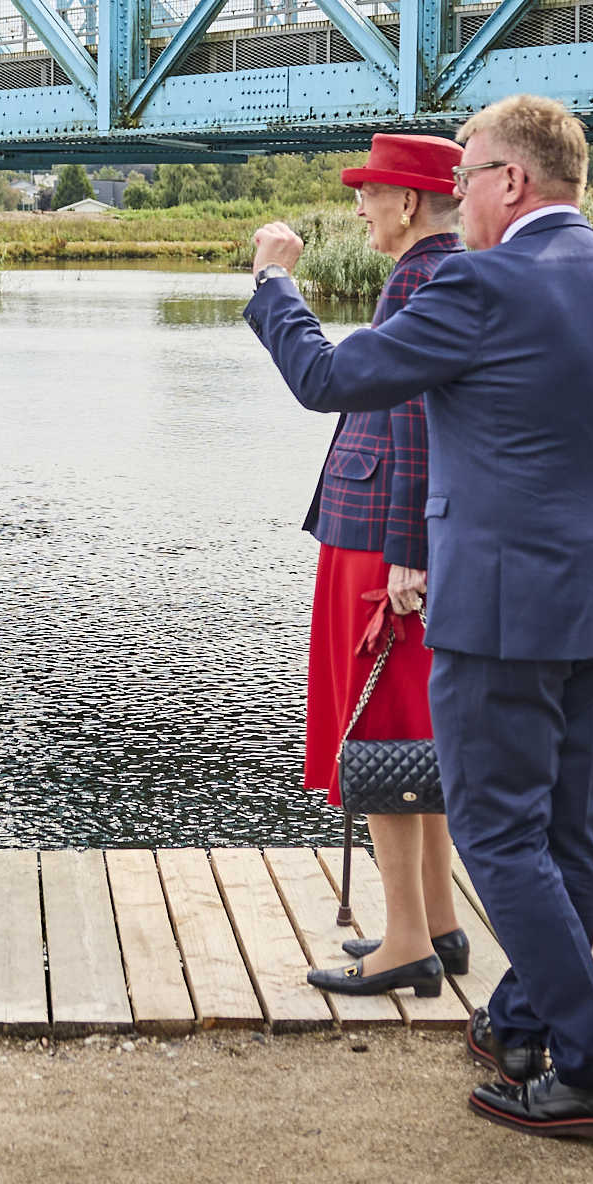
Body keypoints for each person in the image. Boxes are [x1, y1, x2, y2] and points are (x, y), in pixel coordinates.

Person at [245, 96, 593, 1140]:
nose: (458, 194)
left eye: (467, 176)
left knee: (496, 834)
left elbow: (330, 379)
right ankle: (524, 1023)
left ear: (512, 182)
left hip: (500, 612)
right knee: (569, 833)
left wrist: (274, 288)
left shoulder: (479, 285)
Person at [261, 132, 467, 1001]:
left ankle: (409, 944)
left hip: (378, 541)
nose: (358, 207)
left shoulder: (424, 280)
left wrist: (274, 284)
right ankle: (439, 924)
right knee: (412, 727)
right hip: (386, 533)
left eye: (369, 192)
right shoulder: (437, 276)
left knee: (380, 729)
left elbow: (395, 408)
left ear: (408, 202)